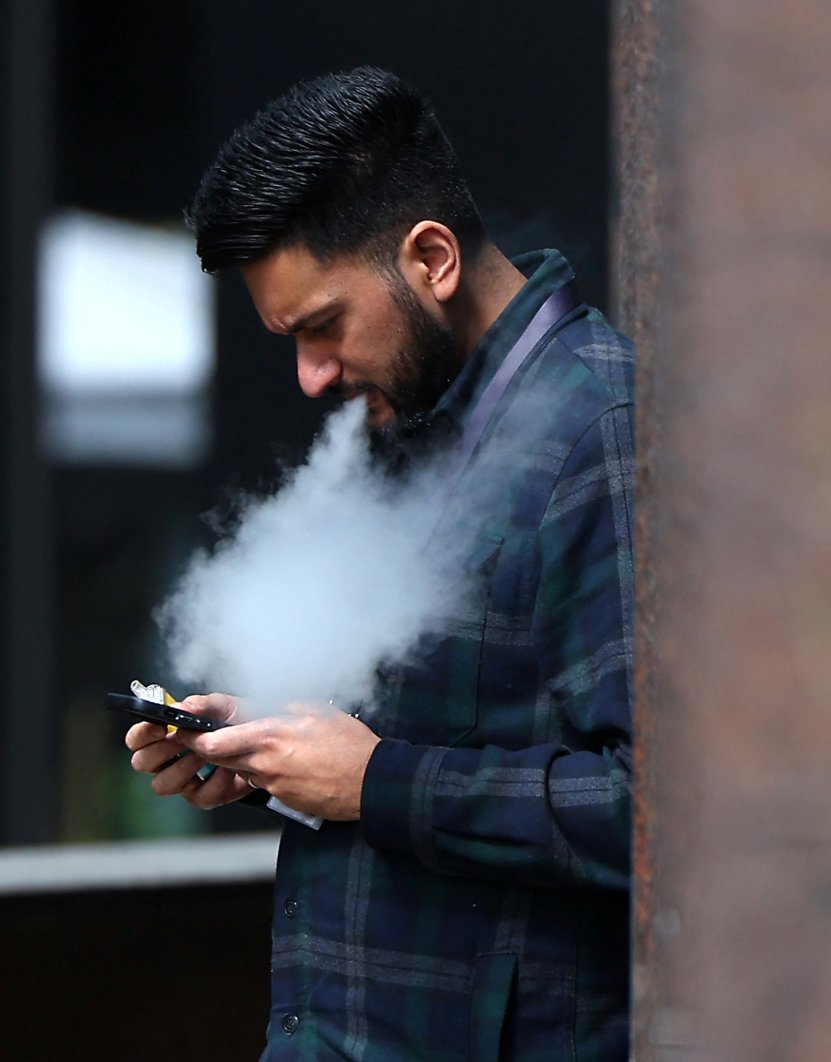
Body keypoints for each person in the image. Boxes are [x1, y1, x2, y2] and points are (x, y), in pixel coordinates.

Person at [122, 67, 634, 1060]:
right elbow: (421, 738)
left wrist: (380, 783)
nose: (311, 376)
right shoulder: (416, 416)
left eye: (322, 326)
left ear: (431, 257)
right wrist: (262, 751)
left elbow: (660, 811)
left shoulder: (602, 434)